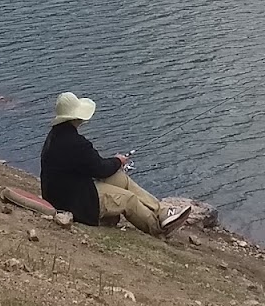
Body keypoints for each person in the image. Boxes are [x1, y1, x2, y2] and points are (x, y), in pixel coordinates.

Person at [40, 92, 186, 236]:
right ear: (76, 117)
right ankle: (159, 229)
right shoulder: (76, 143)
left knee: (120, 179)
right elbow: (101, 169)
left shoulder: (55, 136)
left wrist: (115, 162)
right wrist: (118, 161)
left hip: (63, 194)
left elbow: (92, 165)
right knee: (128, 199)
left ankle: (162, 212)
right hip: (75, 204)